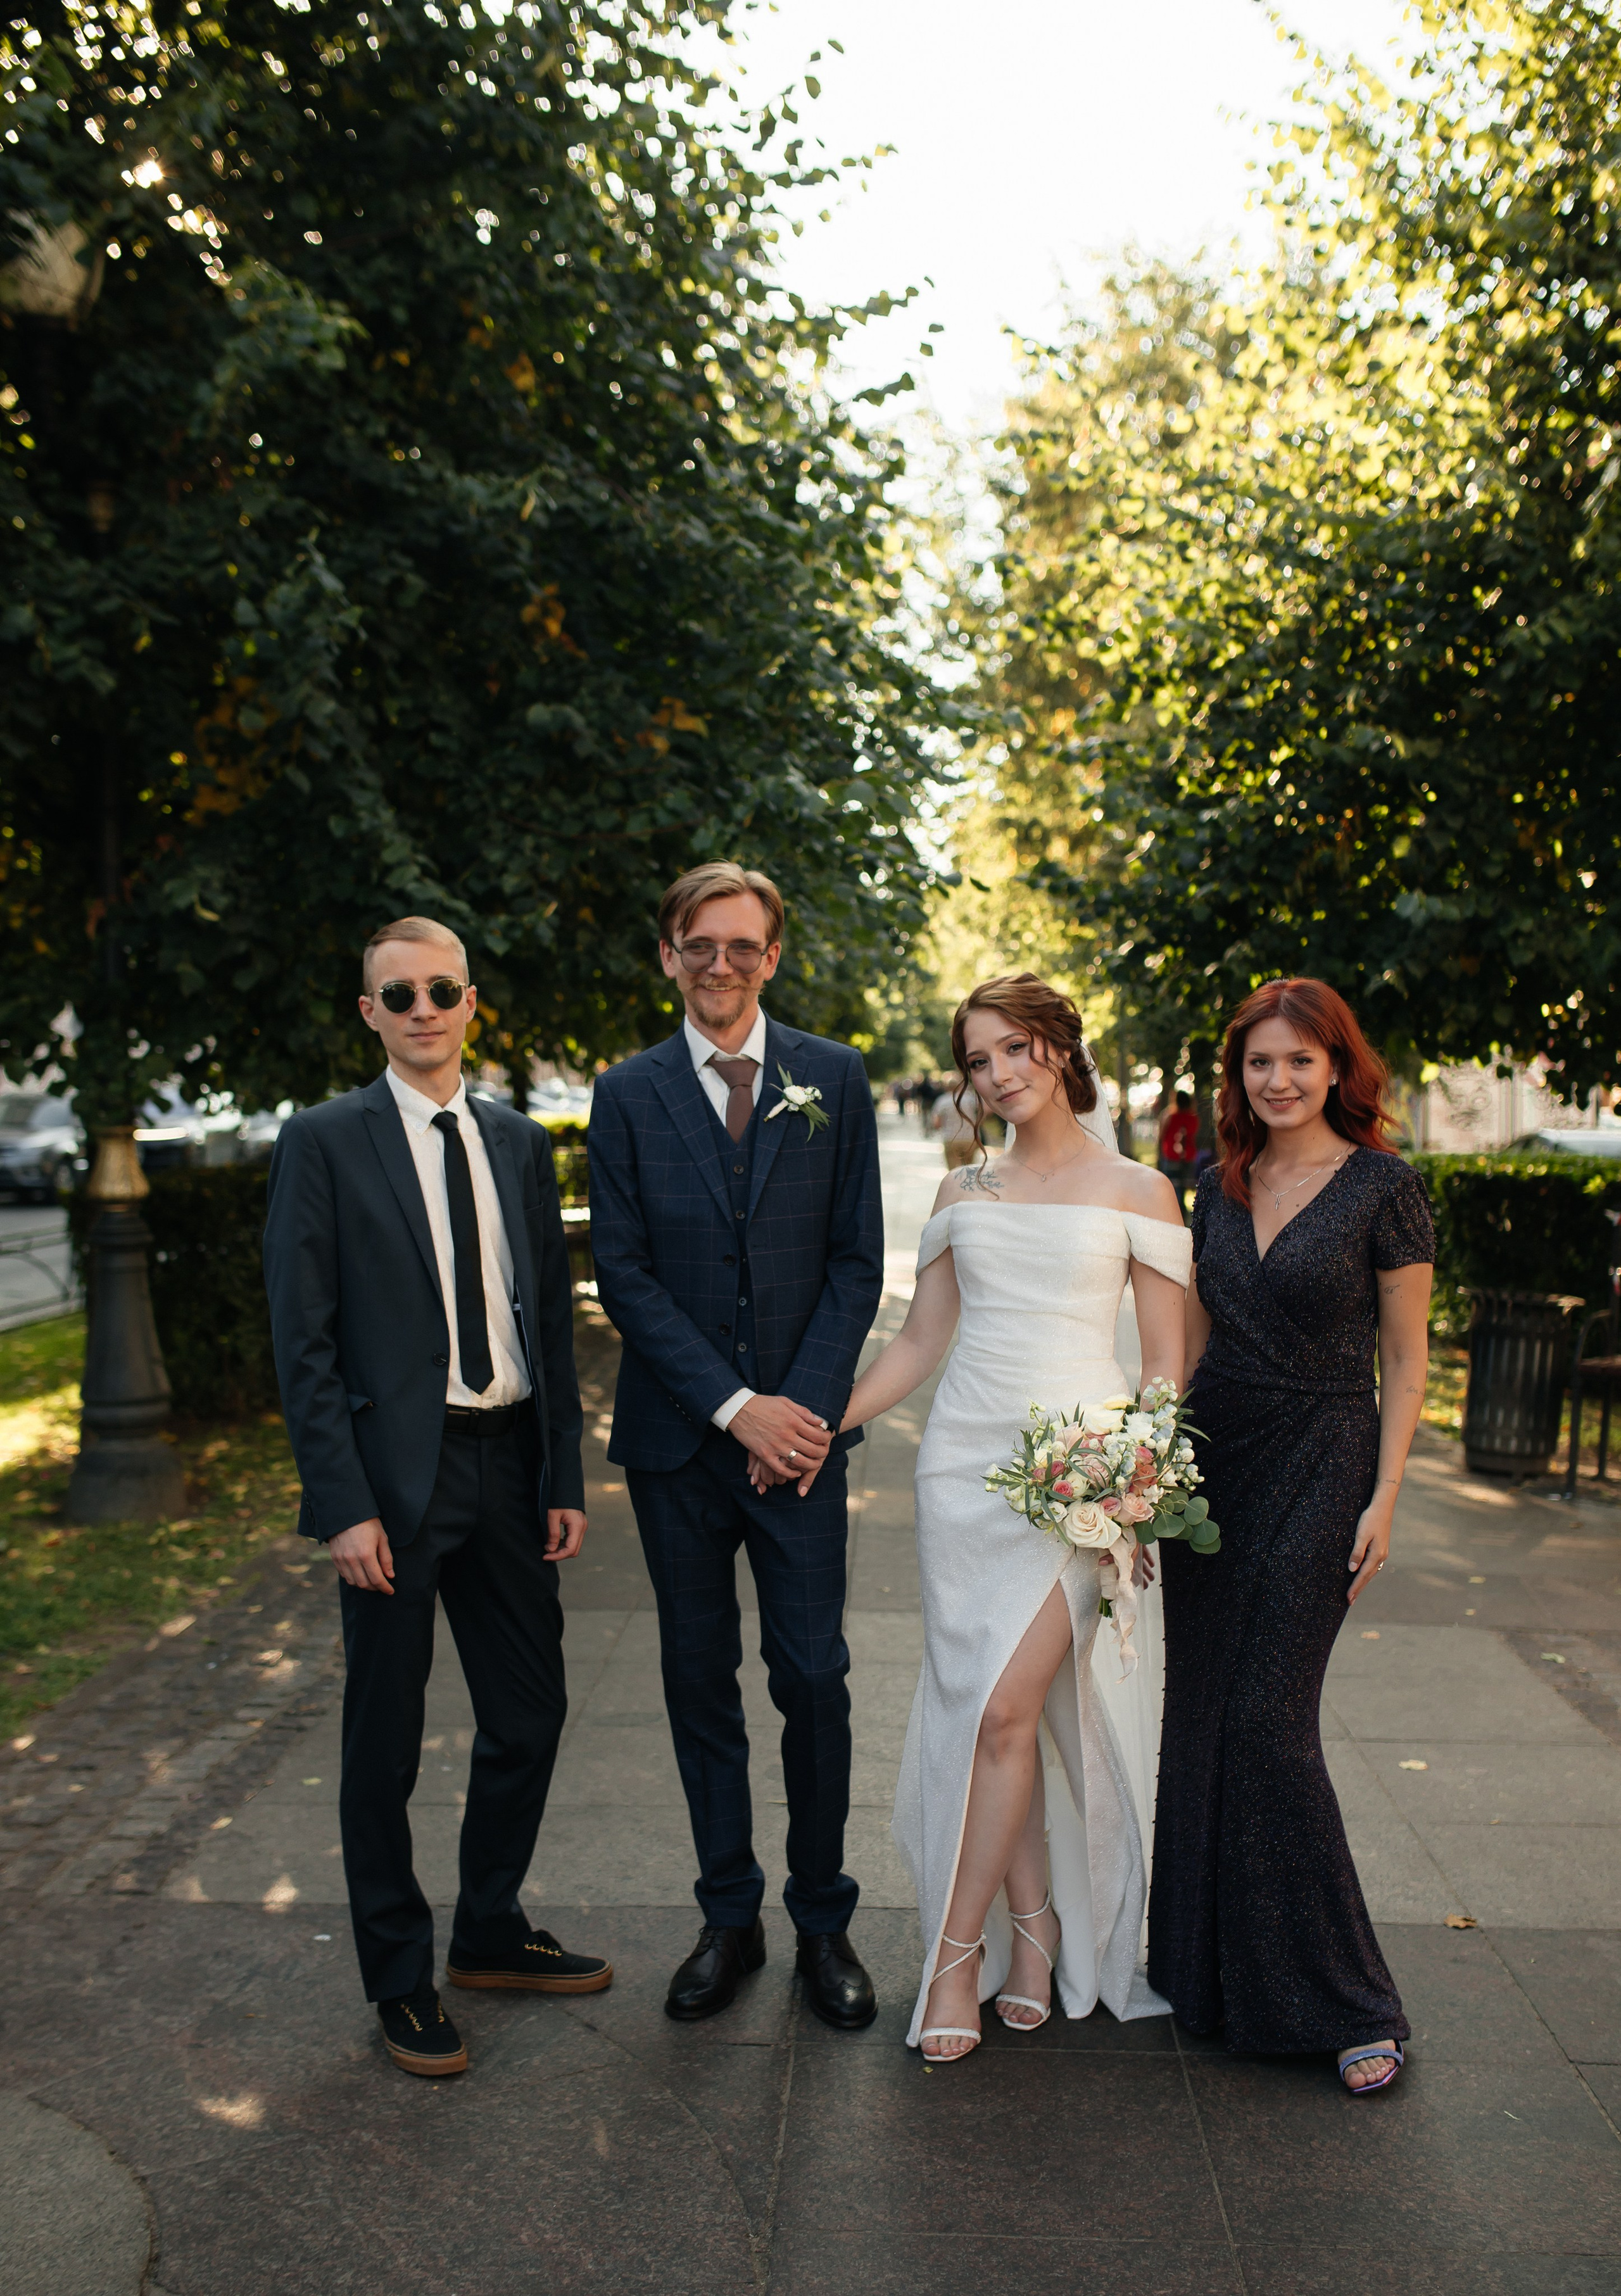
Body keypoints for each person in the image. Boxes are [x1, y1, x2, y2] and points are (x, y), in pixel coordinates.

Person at [263, 916, 609, 2081]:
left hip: (510, 1466)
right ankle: (400, 1976)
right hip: (395, 1489)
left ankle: (489, 1928)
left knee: (530, 1714)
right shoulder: (324, 1141)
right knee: (386, 1741)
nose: (422, 1008)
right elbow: (301, 1340)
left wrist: (561, 1471)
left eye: (441, 989)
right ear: (370, 1012)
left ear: (471, 1003)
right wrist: (343, 1502)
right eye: (397, 993)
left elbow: (548, 1321)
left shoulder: (516, 1142)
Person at [842, 973, 1190, 2060]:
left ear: (1059, 1049)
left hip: (1078, 1491)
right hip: (962, 1476)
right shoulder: (961, 1196)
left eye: (1014, 1049)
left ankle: (955, 1959)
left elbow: (1170, 1364)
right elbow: (915, 1347)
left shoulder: (1141, 1192)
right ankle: (1030, 1938)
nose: (997, 1074)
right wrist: (813, 1428)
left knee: (1002, 1713)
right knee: (1008, 1721)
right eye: (979, 1060)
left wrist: (1133, 1480)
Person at [588, 862, 884, 2029]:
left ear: (773, 956)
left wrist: (797, 1414)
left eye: (744, 947)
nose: (723, 964)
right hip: (678, 1445)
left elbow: (858, 1260)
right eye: (700, 944)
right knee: (696, 1679)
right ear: (669, 953)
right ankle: (729, 1916)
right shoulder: (627, 1093)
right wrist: (733, 1409)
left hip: (802, 1450)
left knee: (813, 1680)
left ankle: (824, 1921)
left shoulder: (836, 1077)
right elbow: (626, 1273)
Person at [1147, 978, 1433, 2095]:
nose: (1278, 1080)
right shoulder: (1213, 1191)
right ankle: (1213, 1974)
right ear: (1239, 1075)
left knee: (1271, 1719)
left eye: (1299, 1062)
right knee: (1205, 1712)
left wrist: (1387, 1494)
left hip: (1325, 1459)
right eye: (1259, 1063)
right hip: (1215, 1471)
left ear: (1337, 1069)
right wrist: (1140, 1462)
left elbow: (1407, 1360)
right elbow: (1190, 1347)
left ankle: (1351, 1998)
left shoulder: (1383, 1187)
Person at [1157, 1089, 1199, 1212]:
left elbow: (1162, 1136)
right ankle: (1183, 1214)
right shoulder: (1193, 1119)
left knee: (1173, 1189)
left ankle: (1174, 1213)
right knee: (1184, 1187)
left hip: (1171, 1157)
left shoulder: (1170, 1116)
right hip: (1188, 1157)